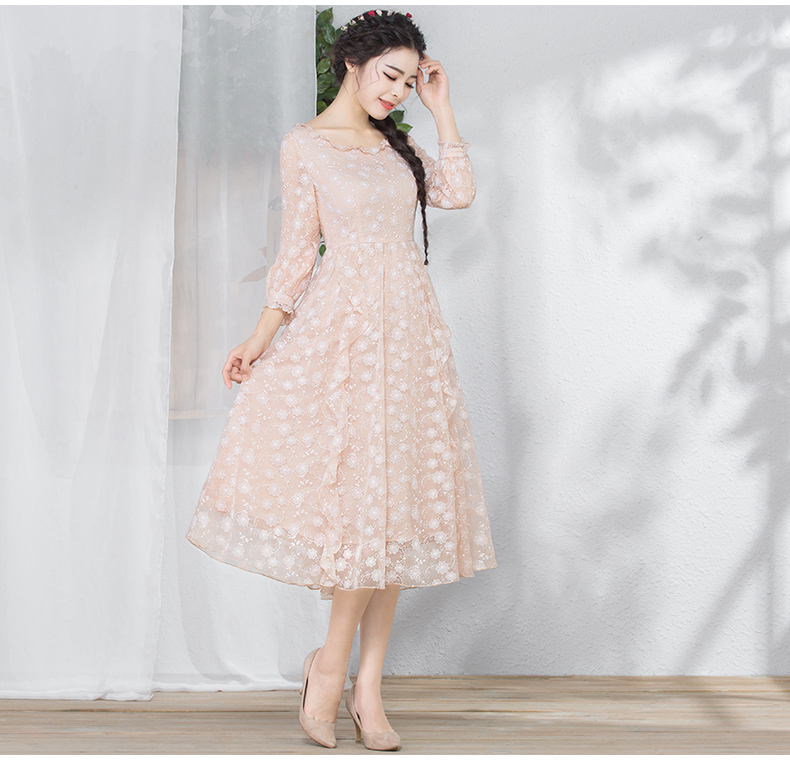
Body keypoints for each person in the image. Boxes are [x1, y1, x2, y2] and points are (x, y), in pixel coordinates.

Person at [185, 7, 497, 751]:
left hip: (411, 338)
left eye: (409, 80)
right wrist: (260, 336)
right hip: (346, 337)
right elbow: (298, 251)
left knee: (395, 509)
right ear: (351, 64)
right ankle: (329, 667)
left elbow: (457, 193)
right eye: (390, 75)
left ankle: (367, 685)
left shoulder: (398, 147)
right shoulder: (305, 145)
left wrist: (441, 109)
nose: (397, 91)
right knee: (361, 509)